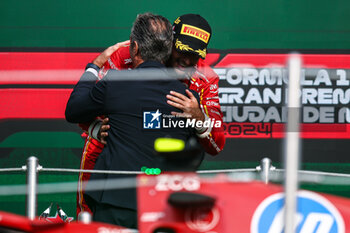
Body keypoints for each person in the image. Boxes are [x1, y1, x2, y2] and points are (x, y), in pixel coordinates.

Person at [76, 14, 226, 216]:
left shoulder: (206, 79)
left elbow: (217, 143)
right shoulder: (127, 55)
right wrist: (94, 128)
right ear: (169, 42)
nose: (187, 59)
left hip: (164, 158)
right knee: (89, 217)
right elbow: (83, 105)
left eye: (195, 54)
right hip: (113, 151)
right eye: (182, 50)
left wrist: (199, 118)